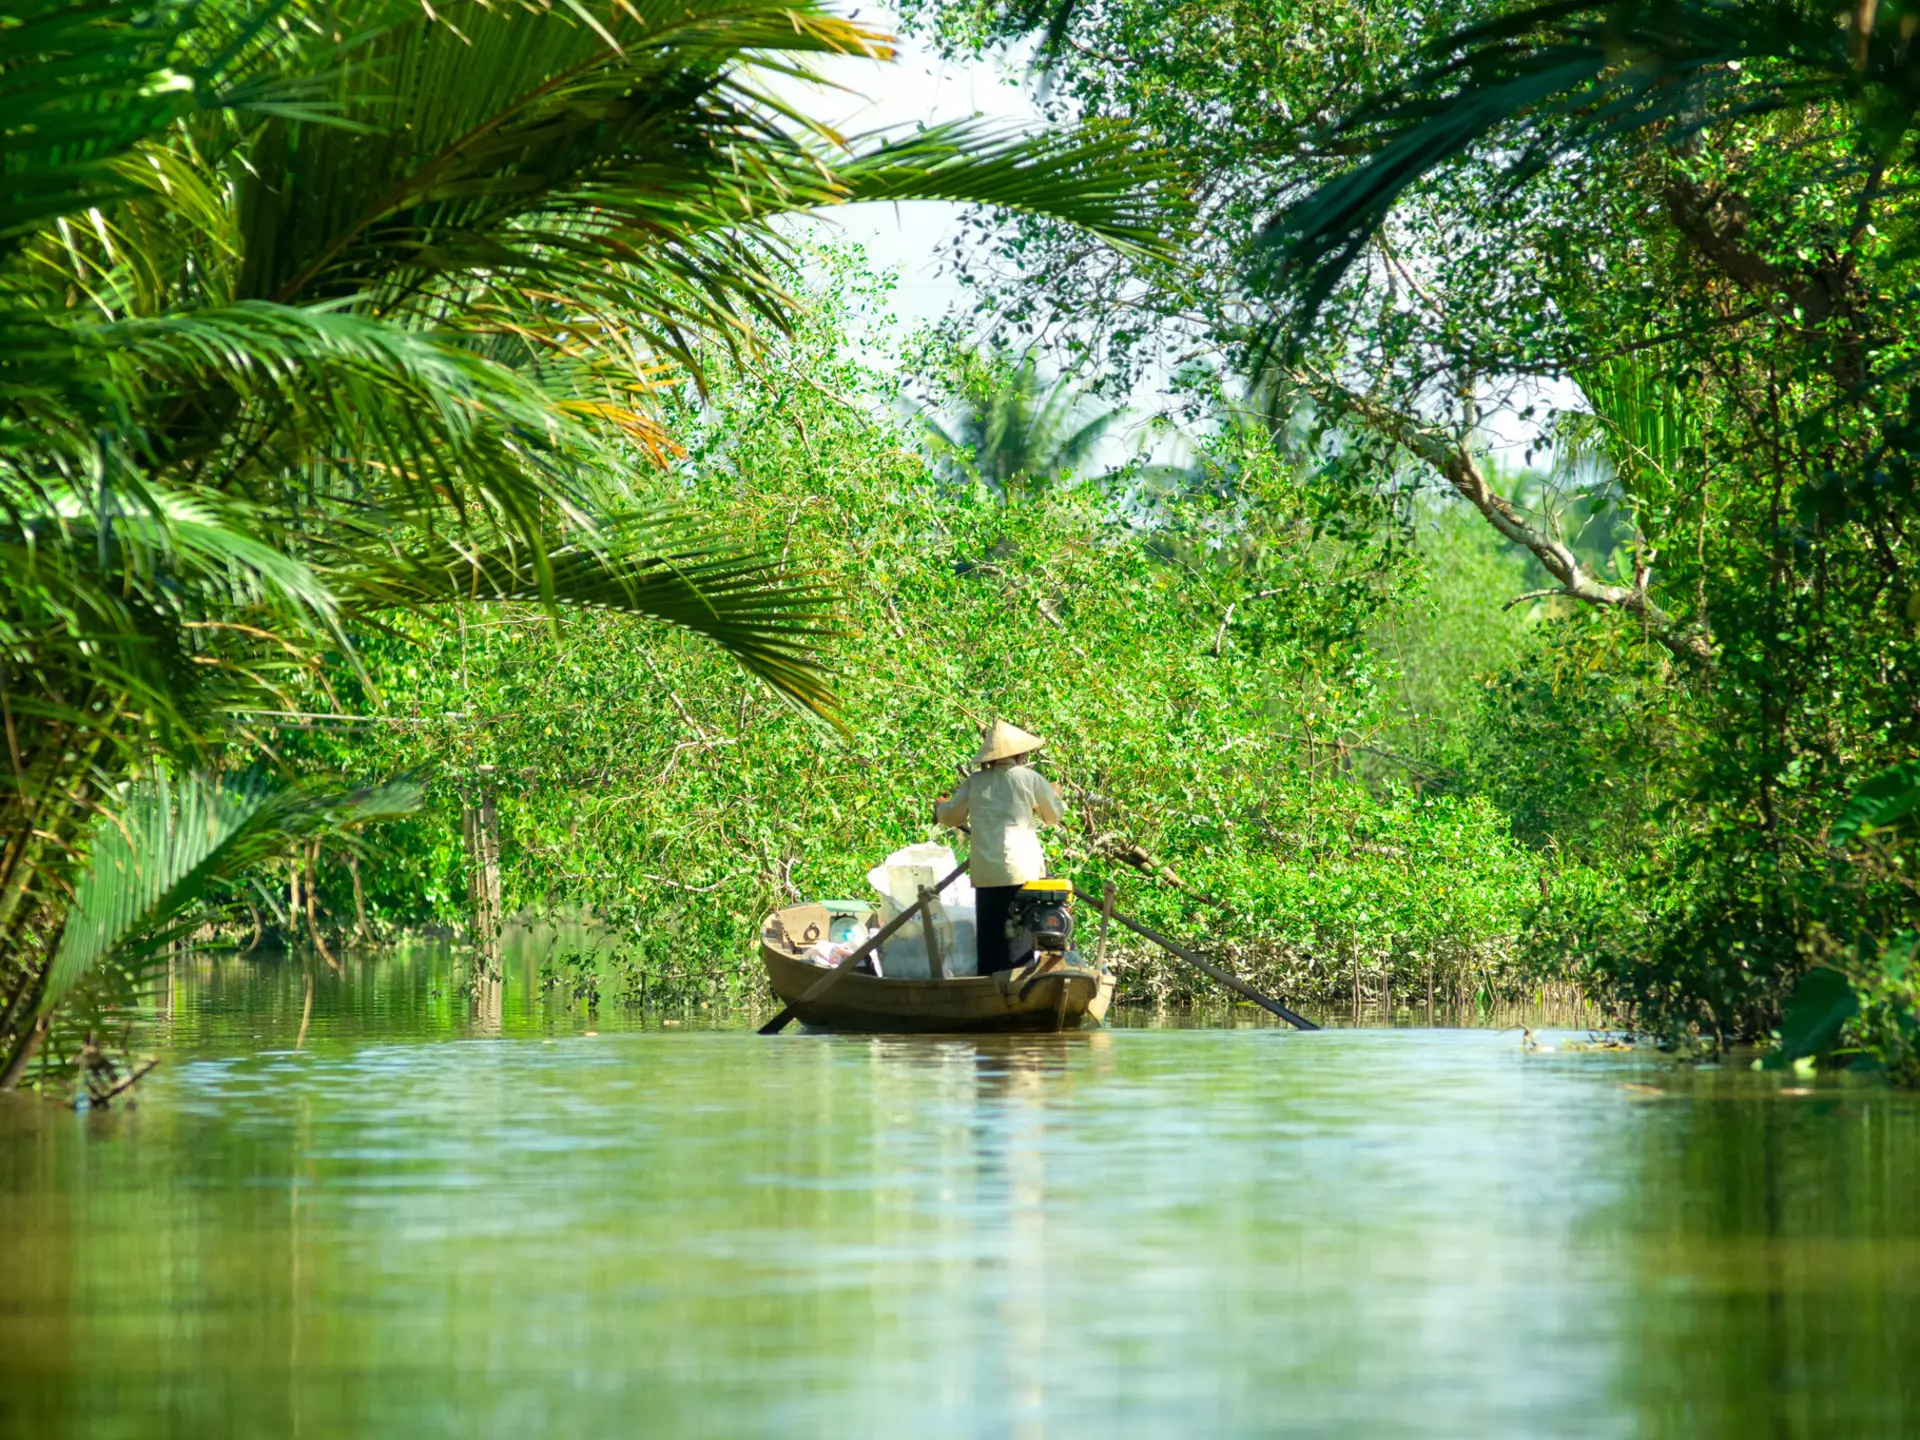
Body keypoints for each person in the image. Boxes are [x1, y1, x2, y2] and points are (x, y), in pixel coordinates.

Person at [934, 720, 1063, 976]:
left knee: (991, 937)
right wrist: (1054, 796)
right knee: (1019, 935)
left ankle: (988, 985)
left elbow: (952, 817)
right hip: (1023, 871)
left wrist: (939, 807)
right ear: (1019, 754)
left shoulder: (976, 782)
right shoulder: (1031, 779)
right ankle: (1018, 986)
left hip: (987, 871)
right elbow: (1053, 816)